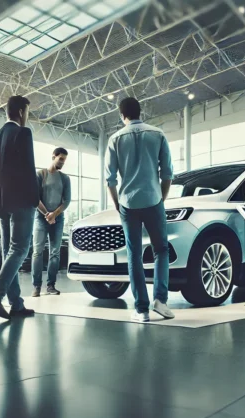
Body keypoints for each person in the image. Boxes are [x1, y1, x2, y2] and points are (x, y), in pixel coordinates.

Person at [105, 97, 175, 323]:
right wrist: (161, 198)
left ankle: (141, 310)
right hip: (154, 200)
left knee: (134, 254)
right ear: (140, 111)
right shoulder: (158, 134)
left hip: (128, 203)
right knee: (161, 250)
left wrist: (117, 203)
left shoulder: (114, 139)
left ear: (121, 115)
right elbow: (167, 173)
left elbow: (110, 179)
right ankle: (160, 301)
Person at [0, 95, 37, 320]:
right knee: (20, 249)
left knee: (8, 252)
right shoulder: (23, 133)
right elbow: (28, 168)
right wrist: (34, 200)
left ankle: (16, 304)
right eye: (27, 113)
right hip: (21, 200)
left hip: (0, 203)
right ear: (22, 112)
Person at [31, 147, 71, 297]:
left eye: (64, 160)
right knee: (37, 251)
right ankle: (36, 286)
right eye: (61, 159)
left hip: (58, 218)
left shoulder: (65, 178)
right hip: (40, 217)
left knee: (55, 253)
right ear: (53, 156)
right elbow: (35, 198)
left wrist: (54, 214)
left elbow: (66, 201)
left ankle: (51, 286)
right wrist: (47, 214)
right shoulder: (40, 175)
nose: (62, 162)